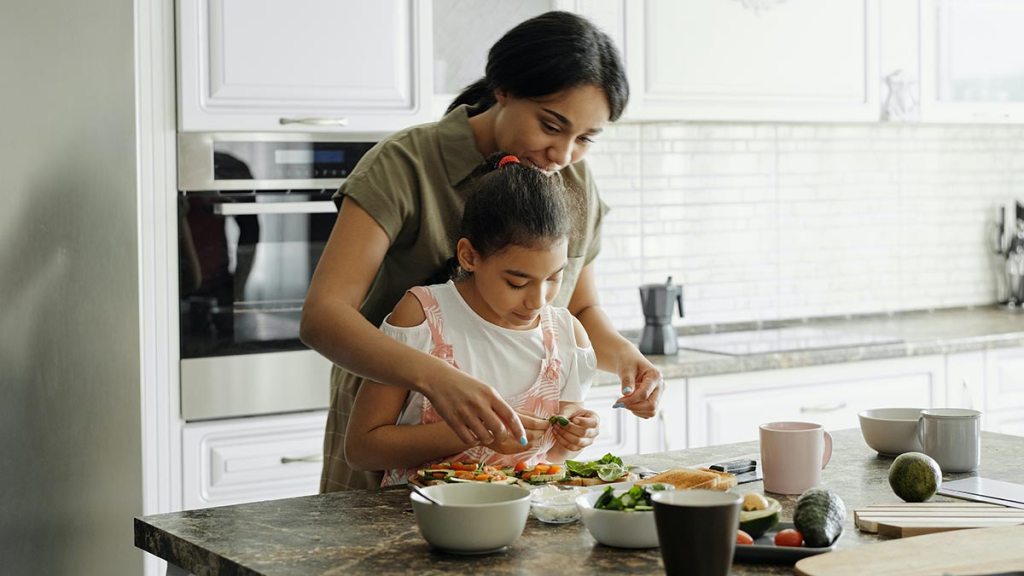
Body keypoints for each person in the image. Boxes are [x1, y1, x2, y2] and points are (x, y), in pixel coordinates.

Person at [300, 10, 664, 492]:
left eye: (585, 139)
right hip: (391, 434)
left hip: (510, 475)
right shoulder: (405, 164)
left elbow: (578, 306)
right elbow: (323, 316)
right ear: (504, 90)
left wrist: (625, 359)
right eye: (551, 125)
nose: (564, 154)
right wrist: (437, 379)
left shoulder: (572, 178)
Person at [346, 154, 598, 484]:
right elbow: (362, 449)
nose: (538, 300)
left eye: (554, 277)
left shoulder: (567, 336)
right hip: (418, 522)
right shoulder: (422, 317)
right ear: (469, 256)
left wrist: (573, 439)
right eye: (517, 282)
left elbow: (552, 459)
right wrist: (474, 433)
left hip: (525, 524)